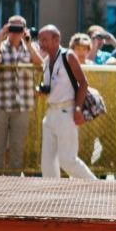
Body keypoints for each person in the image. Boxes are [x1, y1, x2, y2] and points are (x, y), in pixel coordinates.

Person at [34, 25, 97, 180]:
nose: (41, 43)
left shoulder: (68, 56)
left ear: (56, 40)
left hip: (66, 112)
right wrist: (42, 92)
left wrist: (78, 109)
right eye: (40, 39)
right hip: (50, 113)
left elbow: (83, 83)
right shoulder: (47, 60)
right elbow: (51, 87)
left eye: (44, 39)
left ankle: (96, 186)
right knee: (47, 163)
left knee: (67, 160)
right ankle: (54, 197)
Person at [0, 15, 42, 174]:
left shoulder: (31, 47)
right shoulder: (0, 47)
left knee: (17, 150)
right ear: (7, 29)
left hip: (22, 105)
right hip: (0, 104)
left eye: (19, 29)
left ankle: (14, 190)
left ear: (24, 30)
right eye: (12, 28)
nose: (15, 32)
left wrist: (28, 43)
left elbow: (41, 65)